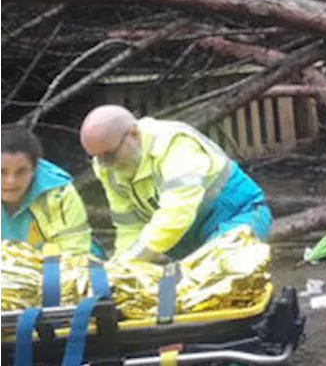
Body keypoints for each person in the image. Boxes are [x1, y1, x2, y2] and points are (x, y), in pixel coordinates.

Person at [79, 106, 271, 262]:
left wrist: (133, 258)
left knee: (221, 275)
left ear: (134, 134)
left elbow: (177, 213)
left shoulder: (174, 145)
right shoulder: (107, 166)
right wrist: (123, 263)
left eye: (109, 155)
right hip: (182, 238)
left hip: (236, 216)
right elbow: (129, 225)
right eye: (96, 157)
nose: (104, 164)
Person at [0, 124, 93, 254]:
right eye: (1, 172)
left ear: (34, 169)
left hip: (57, 265)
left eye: (21, 171)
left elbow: (75, 251)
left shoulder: (59, 194)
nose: (11, 181)